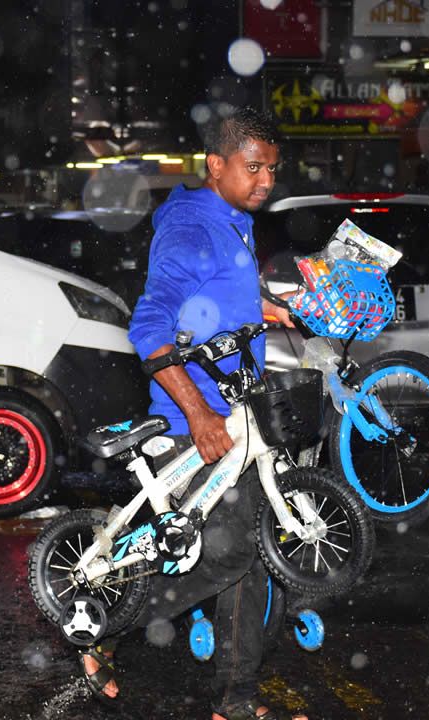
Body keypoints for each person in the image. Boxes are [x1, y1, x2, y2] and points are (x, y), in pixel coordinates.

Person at [79, 107, 305, 720]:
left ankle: (236, 701)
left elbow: (212, 295)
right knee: (228, 555)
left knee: (249, 560)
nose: (266, 181)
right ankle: (101, 622)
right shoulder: (189, 227)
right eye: (253, 167)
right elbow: (150, 326)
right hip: (190, 428)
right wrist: (201, 415)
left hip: (238, 419)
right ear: (216, 165)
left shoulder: (232, 219)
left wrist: (260, 305)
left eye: (272, 170)